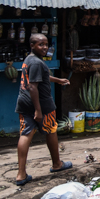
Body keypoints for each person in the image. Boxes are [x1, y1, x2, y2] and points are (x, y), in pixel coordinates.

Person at [15, 34, 71, 186]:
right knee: (51, 130)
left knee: (25, 133)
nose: (45, 47)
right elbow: (33, 86)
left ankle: (21, 174)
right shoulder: (37, 63)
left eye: (46, 44)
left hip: (23, 102)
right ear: (32, 45)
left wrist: (58, 80)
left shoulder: (29, 59)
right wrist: (38, 110)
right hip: (42, 105)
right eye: (41, 44)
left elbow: (41, 78)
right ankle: (57, 164)